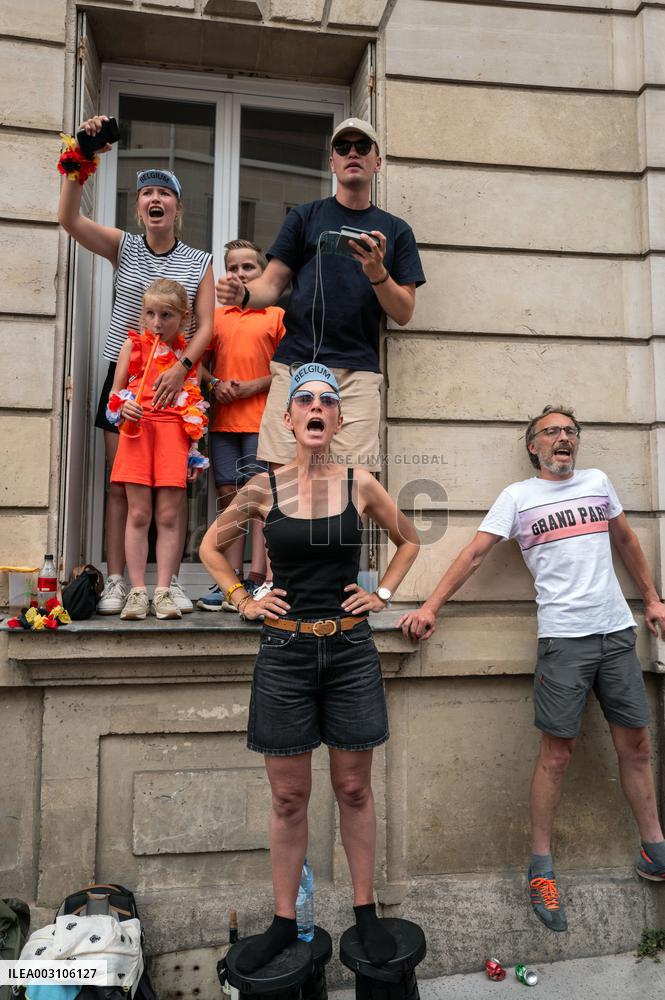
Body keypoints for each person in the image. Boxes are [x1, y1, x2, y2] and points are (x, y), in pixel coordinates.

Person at [398, 405, 665, 932]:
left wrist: (652, 600)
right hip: (563, 641)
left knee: (636, 745)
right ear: (533, 445)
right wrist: (430, 607)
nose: (563, 438)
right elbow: (474, 555)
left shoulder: (598, 483)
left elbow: (626, 541)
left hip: (616, 632)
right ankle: (540, 866)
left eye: (570, 431)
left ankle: (654, 848)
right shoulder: (518, 497)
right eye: (552, 432)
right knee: (556, 755)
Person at [199, 361, 420, 971]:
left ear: (339, 420)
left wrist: (383, 594)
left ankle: (365, 913)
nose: (317, 407)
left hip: (349, 653)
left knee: (353, 788)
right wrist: (244, 599)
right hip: (285, 655)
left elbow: (409, 540)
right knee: (289, 797)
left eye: (328, 400)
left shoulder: (359, 482)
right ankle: (283, 921)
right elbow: (210, 548)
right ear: (289, 418)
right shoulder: (263, 488)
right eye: (305, 400)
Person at [57, 115, 214, 615]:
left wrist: (182, 367)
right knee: (120, 484)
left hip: (178, 382)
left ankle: (170, 582)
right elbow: (69, 220)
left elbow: (207, 326)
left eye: (164, 193)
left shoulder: (200, 261)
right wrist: (80, 157)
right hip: (124, 379)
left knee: (172, 485)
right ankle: (118, 580)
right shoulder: (123, 246)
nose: (155, 199)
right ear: (139, 206)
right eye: (147, 193)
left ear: (177, 207)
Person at [215, 118, 425, 471]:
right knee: (283, 480)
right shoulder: (304, 216)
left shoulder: (397, 230)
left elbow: (403, 312)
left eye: (362, 147)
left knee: (351, 484)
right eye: (343, 147)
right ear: (332, 162)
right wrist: (243, 294)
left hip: (356, 372)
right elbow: (271, 285)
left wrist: (378, 273)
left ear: (377, 161)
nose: (352, 153)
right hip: (296, 363)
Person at [107, 279, 209, 621]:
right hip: (137, 433)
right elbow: (114, 396)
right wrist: (123, 407)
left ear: (183, 318)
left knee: (168, 516)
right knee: (138, 514)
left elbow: (194, 406)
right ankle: (137, 591)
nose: (156, 322)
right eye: (150, 313)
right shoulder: (132, 346)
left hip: (172, 435)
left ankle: (163, 590)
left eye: (166, 315)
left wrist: (193, 451)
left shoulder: (188, 357)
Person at [198, 240, 285, 612]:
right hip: (223, 424)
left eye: (248, 267)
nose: (239, 273)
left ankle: (259, 577)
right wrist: (214, 384)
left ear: (262, 274)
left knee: (260, 499)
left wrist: (253, 386)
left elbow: (285, 370)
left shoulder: (275, 315)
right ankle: (229, 579)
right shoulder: (216, 318)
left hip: (260, 421)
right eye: (232, 267)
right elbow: (198, 365)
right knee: (228, 499)